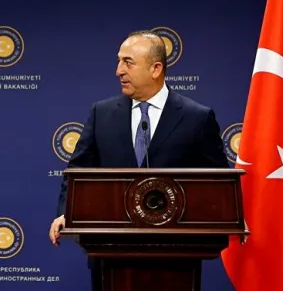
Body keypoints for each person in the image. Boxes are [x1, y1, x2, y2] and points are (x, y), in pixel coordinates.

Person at [48, 30, 229, 291]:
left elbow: (216, 183)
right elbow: (78, 170)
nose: (118, 71)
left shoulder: (196, 117)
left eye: (128, 62)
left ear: (156, 69)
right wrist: (67, 212)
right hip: (110, 255)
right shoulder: (102, 113)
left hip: (175, 258)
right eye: (119, 61)